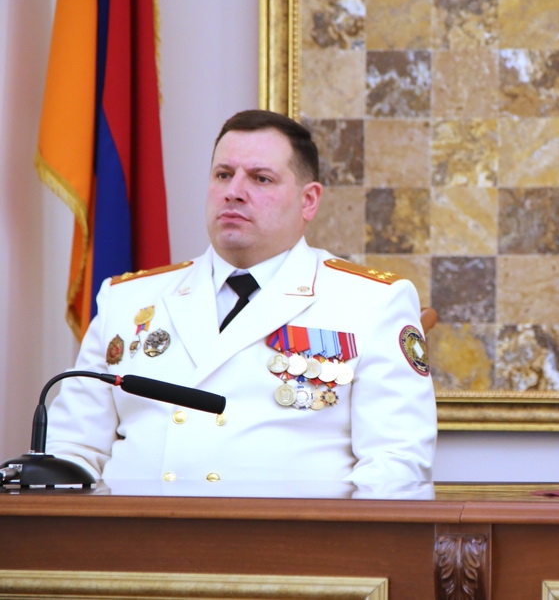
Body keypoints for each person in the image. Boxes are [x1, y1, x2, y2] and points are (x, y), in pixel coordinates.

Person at [46, 110, 437, 490]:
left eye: (260, 178)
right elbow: (71, 450)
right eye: (223, 175)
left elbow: (395, 465)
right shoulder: (127, 299)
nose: (233, 192)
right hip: (134, 530)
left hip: (291, 533)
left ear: (308, 201)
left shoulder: (372, 302)